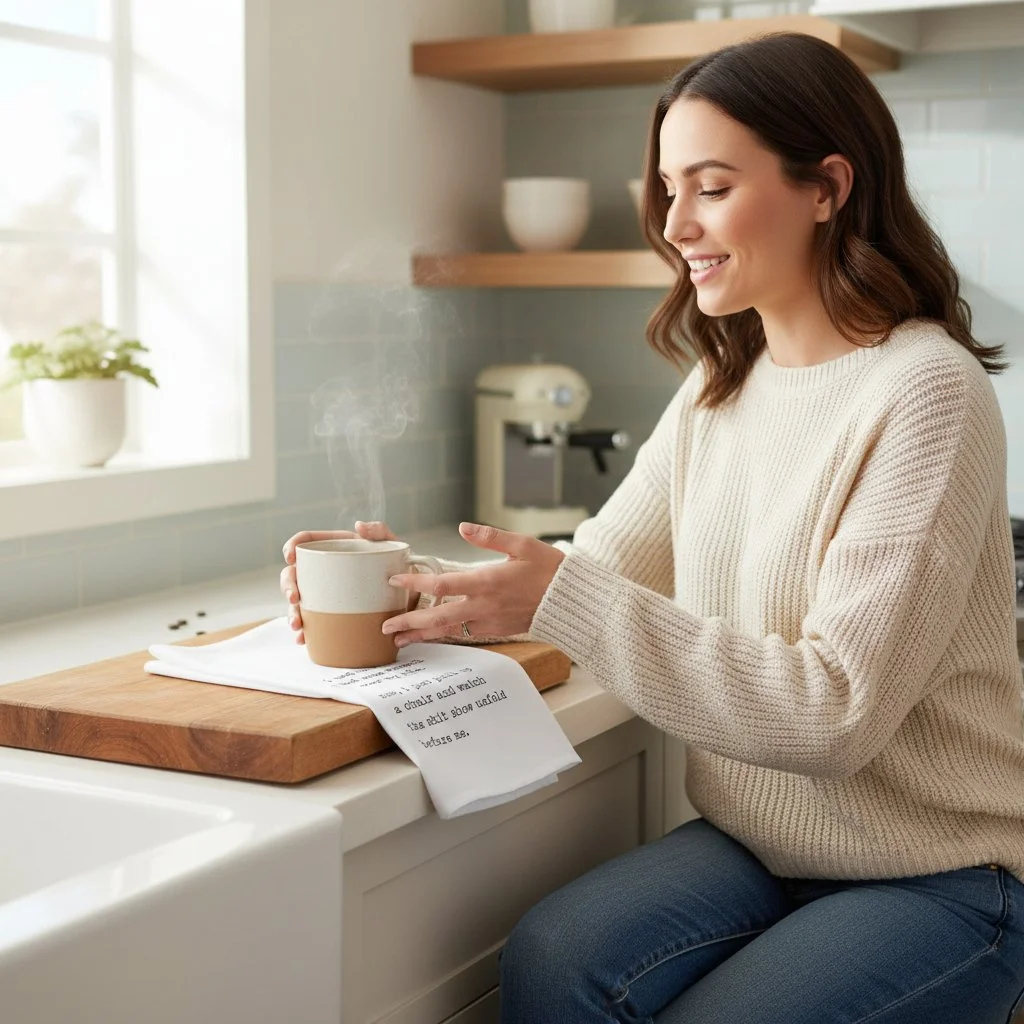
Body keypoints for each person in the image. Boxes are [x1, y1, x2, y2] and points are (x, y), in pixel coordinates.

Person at [280, 31, 1024, 1023]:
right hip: (760, 843)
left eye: (710, 186)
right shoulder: (724, 382)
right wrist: (399, 582)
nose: (675, 224)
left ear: (826, 186)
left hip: (940, 869)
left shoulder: (925, 390)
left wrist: (562, 594)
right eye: (668, 189)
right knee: (551, 958)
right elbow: (592, 573)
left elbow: (835, 711)